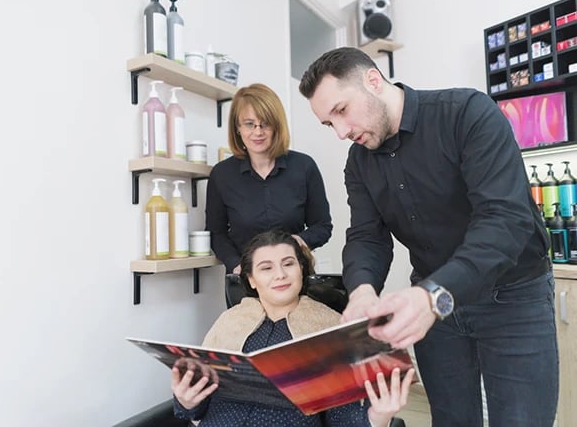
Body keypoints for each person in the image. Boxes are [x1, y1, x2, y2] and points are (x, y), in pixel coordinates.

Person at [298, 46, 558, 427]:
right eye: (328, 124)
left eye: (340, 111)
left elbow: (505, 220)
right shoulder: (359, 162)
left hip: (513, 297)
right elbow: (367, 236)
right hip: (436, 313)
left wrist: (433, 297)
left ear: (373, 81)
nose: (341, 132)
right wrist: (362, 290)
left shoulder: (467, 114)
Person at [171, 230, 415, 427]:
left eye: (288, 264)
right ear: (252, 280)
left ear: (302, 270)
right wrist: (185, 400)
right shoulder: (227, 322)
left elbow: (344, 420)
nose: (280, 275)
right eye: (266, 268)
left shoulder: (330, 329)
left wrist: (379, 417)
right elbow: (195, 408)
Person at [205, 83, 332, 306]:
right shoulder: (221, 175)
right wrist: (238, 265)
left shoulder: (304, 167)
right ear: (237, 128)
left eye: (265, 124)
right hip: (245, 283)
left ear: (277, 126)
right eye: (249, 124)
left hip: (294, 282)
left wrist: (300, 240)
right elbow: (216, 234)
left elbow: (323, 226)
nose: (257, 132)